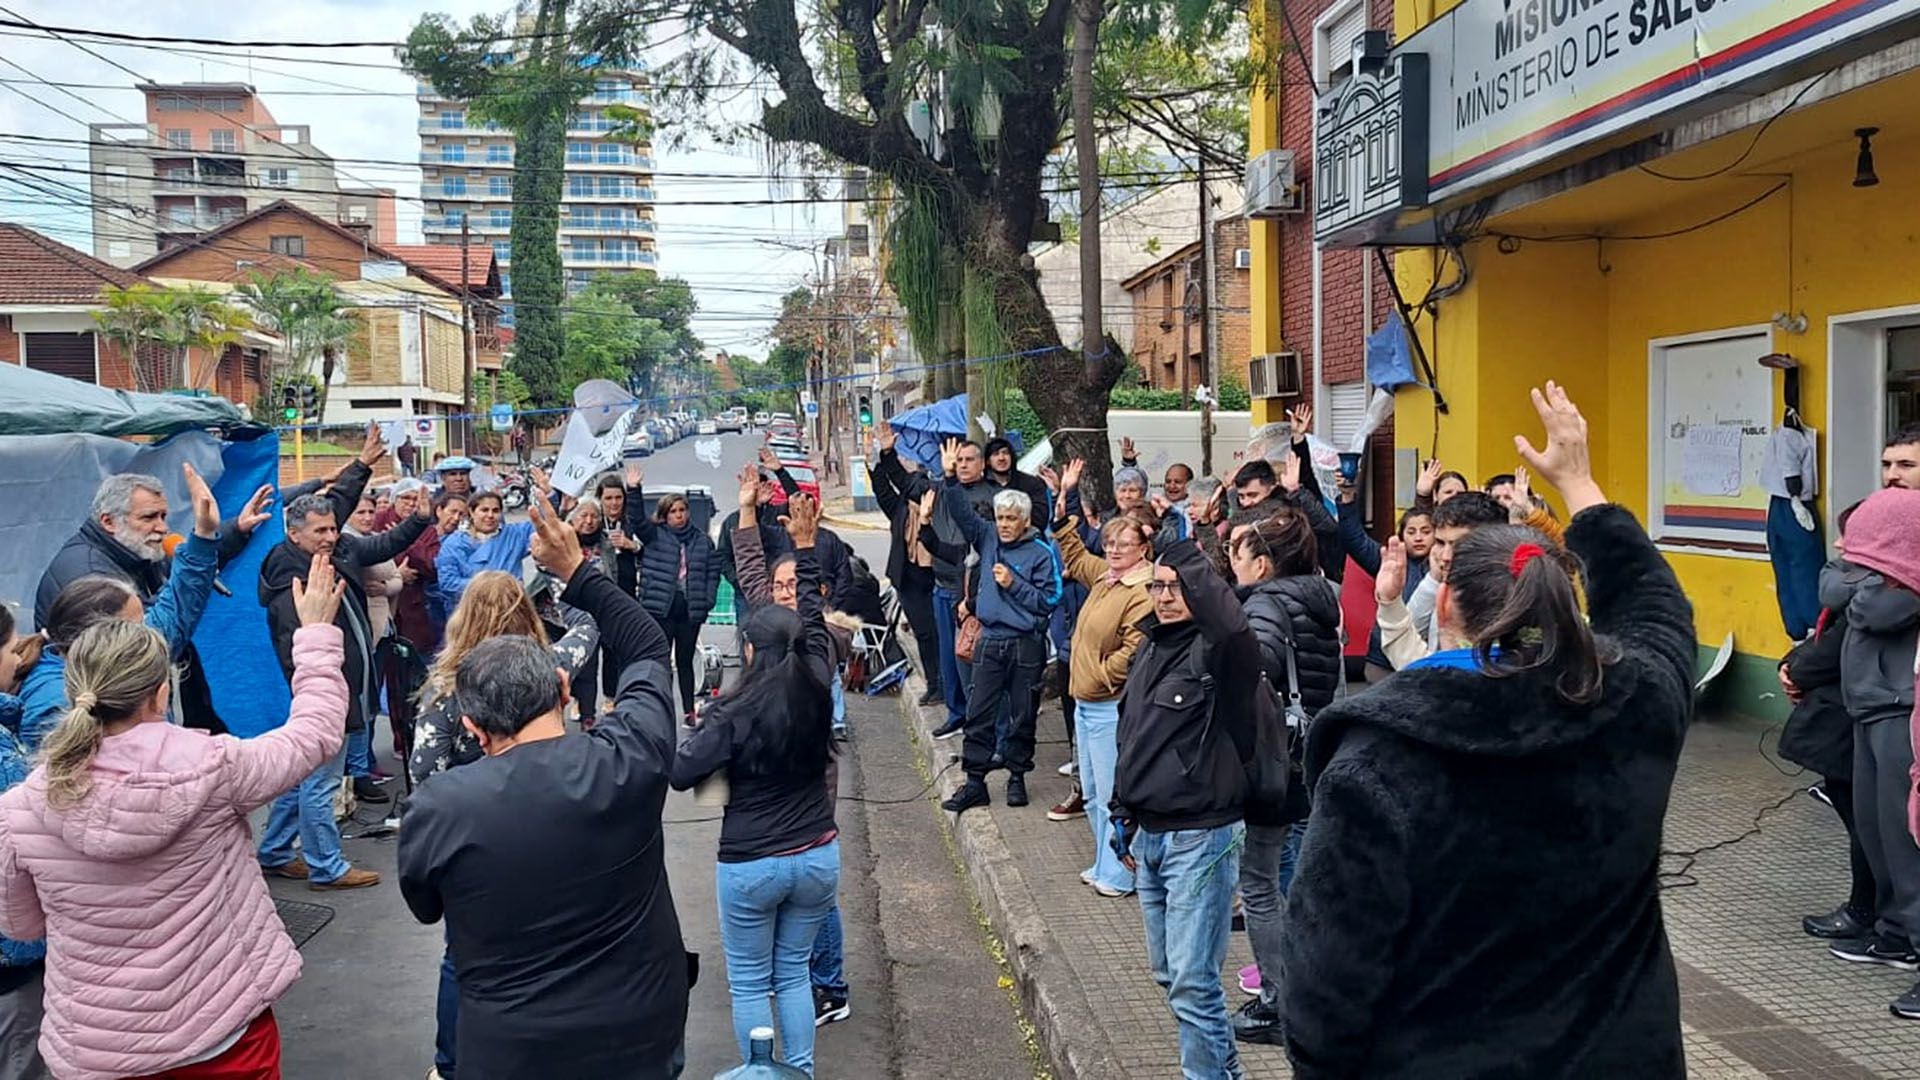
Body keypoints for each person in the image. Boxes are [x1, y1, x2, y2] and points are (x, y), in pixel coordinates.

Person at [1281, 382, 1692, 1079]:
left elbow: (1326, 986)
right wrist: (1580, 481)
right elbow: (1656, 605)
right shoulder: (1634, 705)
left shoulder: (1379, 763)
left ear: (1445, 599)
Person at [0, 553, 351, 1079]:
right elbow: (314, 734)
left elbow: (22, 924)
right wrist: (317, 633)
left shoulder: (20, 810)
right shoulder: (216, 769)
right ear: (162, 692)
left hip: (99, 1049)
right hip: (226, 1038)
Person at [398, 497, 690, 1080]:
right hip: (637, 1039)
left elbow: (427, 905)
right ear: (563, 688)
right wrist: (578, 572)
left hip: (512, 1051)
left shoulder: (441, 809)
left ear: (475, 728)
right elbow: (650, 648)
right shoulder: (628, 760)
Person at [670, 491, 840, 1075]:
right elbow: (813, 615)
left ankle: (761, 1073)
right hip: (817, 849)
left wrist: (699, 727)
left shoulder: (731, 712)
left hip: (750, 859)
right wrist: (806, 545)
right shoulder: (819, 677)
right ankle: (800, 1071)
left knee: (749, 982)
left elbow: (682, 773)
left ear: (749, 647)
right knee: (792, 971)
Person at [406, 570, 598, 1080]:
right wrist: (557, 590)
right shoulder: (550, 668)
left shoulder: (446, 689)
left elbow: (424, 773)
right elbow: (589, 626)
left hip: (476, 840)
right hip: (557, 824)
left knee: (463, 955)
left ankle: (451, 1064)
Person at [1111, 537, 1260, 1080]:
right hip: (1148, 834)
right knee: (1169, 973)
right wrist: (1120, 813)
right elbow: (1134, 737)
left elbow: (1236, 629)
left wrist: (1186, 557)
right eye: (1157, 586)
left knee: (1193, 983)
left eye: (1176, 586)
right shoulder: (1150, 646)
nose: (1165, 597)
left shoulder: (1219, 651)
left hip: (1201, 837)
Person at [257, 487, 430, 890]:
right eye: (320, 530)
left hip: (340, 691)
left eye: (334, 528)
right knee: (320, 783)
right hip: (324, 700)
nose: (331, 537)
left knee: (303, 778)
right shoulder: (294, 588)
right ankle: (326, 866)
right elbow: (294, 656)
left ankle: (276, 851)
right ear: (294, 534)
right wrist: (325, 701)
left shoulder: (328, 558)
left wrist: (418, 520)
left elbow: (382, 543)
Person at [34, 460, 274, 736]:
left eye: (163, 516)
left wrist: (234, 530)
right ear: (108, 521)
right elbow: (155, 641)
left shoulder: (134, 553)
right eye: (149, 517)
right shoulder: (90, 575)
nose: (161, 527)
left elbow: (182, 573)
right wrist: (203, 536)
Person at [1222, 509, 1342, 1046]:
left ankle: (1279, 998)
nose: (1232, 565)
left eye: (1238, 556)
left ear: (1264, 563)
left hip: (1274, 763)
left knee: (1261, 883)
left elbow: (1259, 662)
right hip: (1306, 757)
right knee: (1288, 876)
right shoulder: (1317, 599)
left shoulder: (1266, 602)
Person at [1818, 480, 1920, 1007]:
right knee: (1879, 832)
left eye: (1908, 464)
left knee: (1907, 841)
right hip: (1868, 704)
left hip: (1901, 708)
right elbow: (1831, 588)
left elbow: (1875, 611)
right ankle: (1898, 932)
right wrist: (1864, 574)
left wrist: (1859, 579)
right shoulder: (1882, 540)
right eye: (1889, 464)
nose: (1896, 473)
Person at [920, 485, 1063, 813]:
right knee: (979, 712)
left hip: (1025, 643)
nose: (1004, 524)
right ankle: (974, 782)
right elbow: (962, 514)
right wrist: (951, 478)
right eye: (1000, 518)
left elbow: (1049, 601)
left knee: (1022, 714)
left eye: (1012, 518)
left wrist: (1014, 584)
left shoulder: (1041, 552)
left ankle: (1016, 776)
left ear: (1024, 520)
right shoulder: (987, 537)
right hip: (990, 639)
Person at [1048, 458, 1153, 897]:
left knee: (1114, 795)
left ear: (1143, 549)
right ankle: (1101, 861)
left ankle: (1123, 872)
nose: (1112, 550)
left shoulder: (1141, 588)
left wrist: (1101, 675)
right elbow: (1073, 552)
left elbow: (1134, 649)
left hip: (1111, 706)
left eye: (1123, 545)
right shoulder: (1107, 578)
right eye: (1110, 543)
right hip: (1087, 704)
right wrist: (1062, 503)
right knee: (1091, 792)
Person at [1777, 520, 1874, 944]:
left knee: (1867, 822)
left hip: (1861, 714)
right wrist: (1792, 664)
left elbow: (1838, 644)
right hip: (1849, 711)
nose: (1838, 543)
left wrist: (1796, 669)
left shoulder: (1881, 591)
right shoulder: (1853, 583)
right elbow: (1828, 635)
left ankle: (1867, 911)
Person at [1376, 491, 1508, 669]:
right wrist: (1390, 602)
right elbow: (1423, 666)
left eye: (1458, 545)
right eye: (1440, 542)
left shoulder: (1511, 602)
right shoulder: (1445, 587)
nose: (1445, 556)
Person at [624, 485, 722, 719]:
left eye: (682, 510)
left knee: (685, 661)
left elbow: (712, 572)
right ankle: (661, 711)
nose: (678, 515)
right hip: (661, 610)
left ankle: (689, 710)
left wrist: (707, 600)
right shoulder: (655, 535)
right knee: (660, 663)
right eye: (673, 511)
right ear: (664, 515)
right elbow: (636, 519)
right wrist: (634, 489)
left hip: (690, 611)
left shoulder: (701, 541)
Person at [927, 439, 1003, 736]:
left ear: (982, 463)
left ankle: (991, 730)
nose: (963, 465)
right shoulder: (943, 492)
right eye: (958, 461)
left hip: (980, 599)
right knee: (953, 655)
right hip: (949, 583)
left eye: (969, 459)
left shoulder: (996, 496)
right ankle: (960, 714)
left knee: (984, 669)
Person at [868, 429, 942, 708]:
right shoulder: (899, 509)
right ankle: (934, 684)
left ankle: (947, 684)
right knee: (924, 632)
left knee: (940, 633)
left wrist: (890, 456)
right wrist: (879, 457)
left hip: (937, 578)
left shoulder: (941, 512)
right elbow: (884, 489)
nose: (920, 494)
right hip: (908, 578)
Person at [1333, 477, 1433, 681]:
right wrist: (1347, 498)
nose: (1419, 537)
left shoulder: (1444, 566)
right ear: (1402, 536)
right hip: (1382, 663)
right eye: (1411, 532)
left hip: (1427, 661)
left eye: (1426, 531)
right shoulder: (1389, 562)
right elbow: (1355, 540)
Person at [0, 607, 41, 1080]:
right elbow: (22, 853)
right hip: (11, 962)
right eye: (11, 650)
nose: (18, 661)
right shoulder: (6, 757)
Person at [343, 495, 403, 805]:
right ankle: (360, 767)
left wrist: (390, 585)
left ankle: (365, 764)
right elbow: (388, 575)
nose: (367, 517)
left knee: (371, 698)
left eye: (370, 511)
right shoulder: (349, 545)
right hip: (366, 631)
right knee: (363, 703)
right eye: (360, 511)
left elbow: (395, 579)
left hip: (385, 625)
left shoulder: (372, 540)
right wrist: (392, 581)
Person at [436, 483, 539, 610]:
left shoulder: (514, 535)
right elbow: (448, 583)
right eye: (484, 510)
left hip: (510, 611)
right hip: (469, 614)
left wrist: (550, 495)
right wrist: (494, 586)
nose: (490, 515)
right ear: (472, 512)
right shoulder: (454, 543)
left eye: (495, 511)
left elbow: (544, 525)